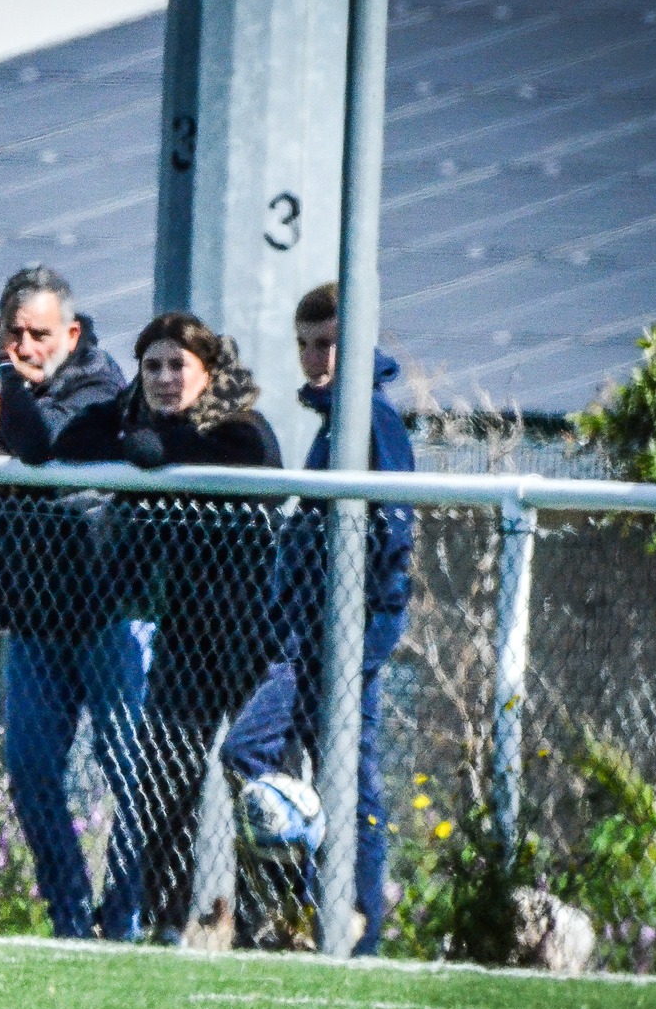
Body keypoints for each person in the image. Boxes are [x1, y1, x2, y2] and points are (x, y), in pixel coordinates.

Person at [55, 313, 283, 943]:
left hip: (253, 636)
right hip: (185, 637)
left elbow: (257, 463)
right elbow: (68, 444)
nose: (163, 377)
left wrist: (163, 453)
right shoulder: (139, 424)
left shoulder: (238, 424)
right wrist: (130, 439)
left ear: (207, 371)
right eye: (151, 365)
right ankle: (166, 917)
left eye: (178, 364)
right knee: (159, 781)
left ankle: (275, 919)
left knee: (265, 784)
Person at [220, 282, 413, 955]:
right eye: (304, 344)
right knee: (324, 770)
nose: (315, 357)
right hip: (311, 635)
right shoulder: (334, 419)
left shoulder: (372, 419)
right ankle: (319, 910)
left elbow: (391, 539)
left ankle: (355, 922)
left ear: (358, 342)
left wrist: (357, 643)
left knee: (273, 756)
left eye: (327, 342)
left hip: (341, 640)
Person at [0, 266, 147, 940]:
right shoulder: (4, 387)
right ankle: (70, 914)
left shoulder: (100, 388)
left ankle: (129, 912)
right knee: (28, 766)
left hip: (108, 616)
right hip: (35, 622)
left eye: (40, 334)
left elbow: (44, 444)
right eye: (14, 334)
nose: (25, 346)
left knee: (132, 770)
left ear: (71, 333)